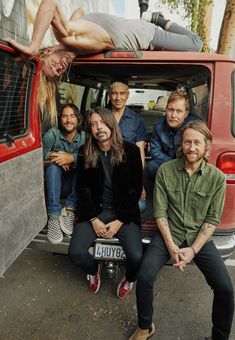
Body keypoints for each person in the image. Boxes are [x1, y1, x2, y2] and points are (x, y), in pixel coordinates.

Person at [123, 120, 234, 340]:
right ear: (180, 145)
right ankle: (145, 327)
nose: (191, 147)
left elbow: (212, 220)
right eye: (187, 142)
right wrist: (172, 247)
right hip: (168, 235)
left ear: (207, 146)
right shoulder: (166, 170)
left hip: (198, 239)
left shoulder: (216, 178)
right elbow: (160, 213)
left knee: (225, 288)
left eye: (196, 142)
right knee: (144, 276)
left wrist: (193, 249)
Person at [6, 0, 203, 81]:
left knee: (196, 44)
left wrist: (32, 47)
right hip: (143, 38)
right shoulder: (76, 41)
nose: (60, 67)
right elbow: (79, 11)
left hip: (149, 34)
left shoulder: (69, 37)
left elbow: (50, 4)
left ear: (48, 51)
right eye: (59, 72)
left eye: (54, 65)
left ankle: (158, 18)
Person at [68, 107, 143, 298]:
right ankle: (93, 271)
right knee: (75, 252)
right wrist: (93, 219)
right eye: (93, 124)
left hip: (123, 213)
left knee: (136, 257)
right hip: (95, 211)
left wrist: (119, 222)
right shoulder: (85, 153)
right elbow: (82, 189)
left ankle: (130, 278)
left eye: (102, 122)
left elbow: (135, 191)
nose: (98, 127)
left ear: (111, 124)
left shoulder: (132, 151)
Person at [43, 103, 85, 244]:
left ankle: (69, 210)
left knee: (84, 164)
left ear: (78, 119)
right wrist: (57, 158)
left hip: (76, 188)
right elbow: (37, 159)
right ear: (60, 119)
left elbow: (93, 158)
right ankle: (54, 217)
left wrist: (71, 158)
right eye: (65, 116)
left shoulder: (85, 137)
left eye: (72, 116)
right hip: (55, 186)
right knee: (53, 167)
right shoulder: (52, 135)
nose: (68, 120)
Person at [108, 79, 147, 212]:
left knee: (140, 206)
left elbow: (140, 154)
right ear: (109, 95)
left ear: (127, 95)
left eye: (122, 93)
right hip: (105, 169)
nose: (118, 98)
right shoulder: (101, 116)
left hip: (128, 172)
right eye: (114, 93)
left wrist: (139, 183)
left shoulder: (137, 121)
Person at [147, 90, 199, 182]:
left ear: (186, 114)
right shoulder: (159, 125)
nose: (173, 115)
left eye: (179, 111)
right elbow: (155, 151)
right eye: (170, 110)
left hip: (188, 166)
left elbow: (197, 153)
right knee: (152, 166)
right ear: (166, 109)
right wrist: (173, 165)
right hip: (167, 164)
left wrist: (182, 166)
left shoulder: (195, 126)